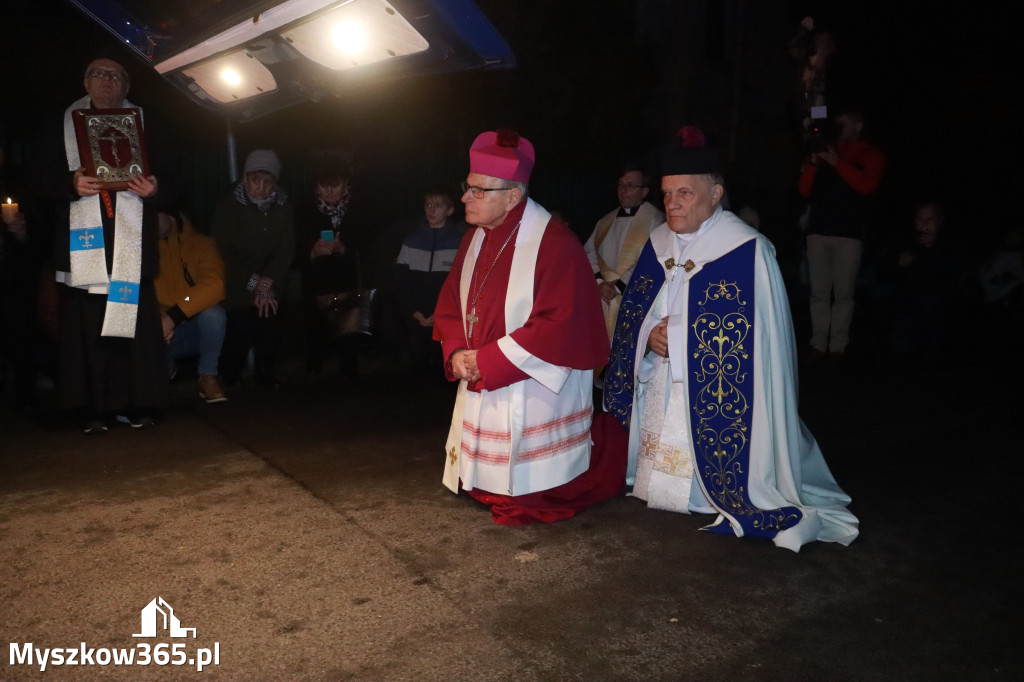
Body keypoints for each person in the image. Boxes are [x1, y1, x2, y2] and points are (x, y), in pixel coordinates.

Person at [603, 128, 859, 551]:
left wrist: (679, 337)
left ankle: (706, 493)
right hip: (660, 379)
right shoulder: (658, 241)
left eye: (685, 193)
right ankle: (654, 481)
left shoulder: (746, 249)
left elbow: (755, 342)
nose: (672, 204)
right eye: (667, 194)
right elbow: (635, 313)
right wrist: (650, 334)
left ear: (716, 193)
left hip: (714, 394)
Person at [433, 129, 621, 525]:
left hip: (531, 385)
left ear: (513, 197)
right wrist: (456, 351)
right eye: (467, 187)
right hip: (478, 368)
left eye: (478, 190)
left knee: (529, 490)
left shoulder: (555, 245)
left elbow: (559, 325)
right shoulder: (475, 237)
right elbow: (452, 302)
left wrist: (488, 361)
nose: (465, 197)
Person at [31, 57, 172, 433]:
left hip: (131, 239)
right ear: (85, 81)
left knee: (132, 323)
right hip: (84, 243)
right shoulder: (60, 125)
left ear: (127, 86)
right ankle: (93, 409)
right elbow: (39, 179)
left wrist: (156, 189)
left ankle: (139, 403)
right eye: (97, 73)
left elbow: (174, 177)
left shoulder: (146, 124)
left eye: (115, 76)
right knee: (88, 326)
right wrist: (69, 185)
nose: (106, 81)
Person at [798, 109, 884, 362]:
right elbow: (804, 191)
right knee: (819, 293)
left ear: (858, 125)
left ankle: (837, 346)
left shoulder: (870, 154)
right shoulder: (824, 150)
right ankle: (818, 343)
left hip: (849, 234)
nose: (838, 127)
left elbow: (867, 186)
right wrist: (814, 163)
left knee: (844, 294)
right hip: (818, 231)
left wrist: (837, 162)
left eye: (844, 123)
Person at [212, 149, 294, 388]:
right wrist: (254, 282)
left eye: (267, 181)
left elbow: (286, 249)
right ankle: (230, 375)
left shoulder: (283, 204)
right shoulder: (229, 204)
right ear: (245, 178)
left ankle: (265, 374)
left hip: (271, 278)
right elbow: (224, 250)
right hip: (238, 276)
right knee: (241, 324)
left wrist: (268, 282)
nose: (260, 187)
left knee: (268, 319)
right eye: (254, 180)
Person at [583, 163, 664, 342]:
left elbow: (653, 258)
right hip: (603, 296)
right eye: (621, 185)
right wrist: (600, 282)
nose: (624, 190)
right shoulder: (605, 221)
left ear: (644, 192)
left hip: (632, 296)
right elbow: (589, 254)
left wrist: (619, 286)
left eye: (630, 186)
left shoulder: (656, 220)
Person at [154, 208, 228, 402]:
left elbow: (215, 285)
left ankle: (208, 376)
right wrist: (158, 318)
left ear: (170, 215)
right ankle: (162, 371)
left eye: (153, 216)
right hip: (158, 329)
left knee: (214, 314)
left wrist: (173, 315)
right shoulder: (140, 249)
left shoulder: (202, 244)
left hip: (190, 325)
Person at [394, 188, 463, 373]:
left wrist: (442, 313)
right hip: (416, 317)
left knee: (445, 371)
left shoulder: (460, 242)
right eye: (428, 204)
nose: (431, 210)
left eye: (438, 205)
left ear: (450, 210)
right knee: (417, 369)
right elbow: (401, 281)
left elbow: (461, 285)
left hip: (446, 318)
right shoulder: (411, 241)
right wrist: (411, 310)